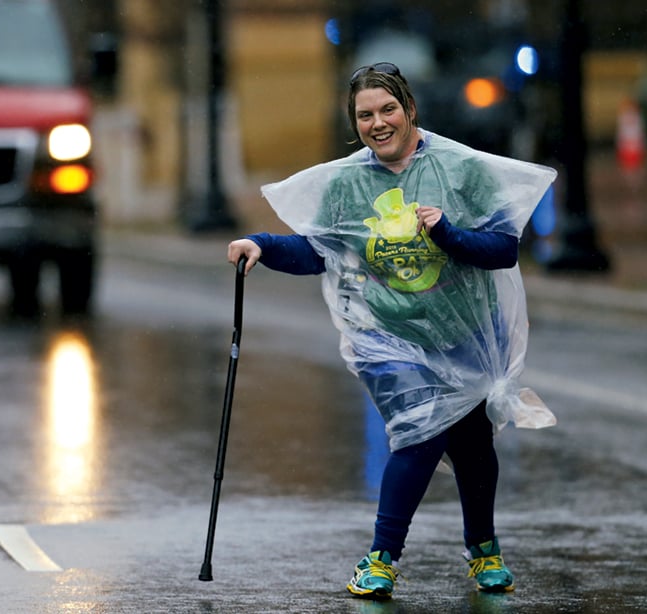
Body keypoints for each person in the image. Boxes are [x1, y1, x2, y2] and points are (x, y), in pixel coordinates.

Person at [227, 62, 557, 600]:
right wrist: (262, 245)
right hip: (389, 338)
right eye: (364, 115)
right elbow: (318, 250)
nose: (377, 123)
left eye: (387, 110)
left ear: (409, 110)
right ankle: (382, 556)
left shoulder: (459, 169)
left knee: (474, 446)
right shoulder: (348, 182)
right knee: (419, 429)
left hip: (465, 334)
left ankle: (484, 549)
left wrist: (446, 232)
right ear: (353, 121)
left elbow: (503, 249)